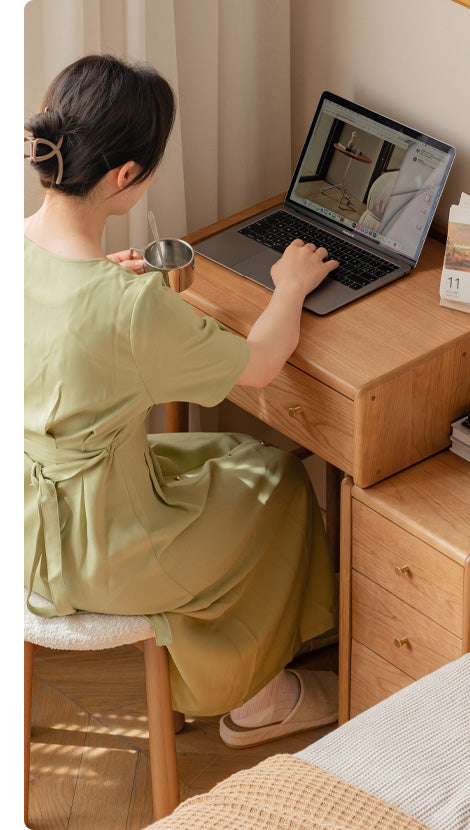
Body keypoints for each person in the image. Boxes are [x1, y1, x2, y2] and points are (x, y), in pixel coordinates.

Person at [24, 54, 341, 748]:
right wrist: (289, 285)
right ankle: (259, 698)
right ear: (126, 178)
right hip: (98, 552)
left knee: (231, 456)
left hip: (21, 526)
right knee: (282, 485)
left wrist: (98, 277)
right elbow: (258, 366)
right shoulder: (129, 310)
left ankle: (264, 656)